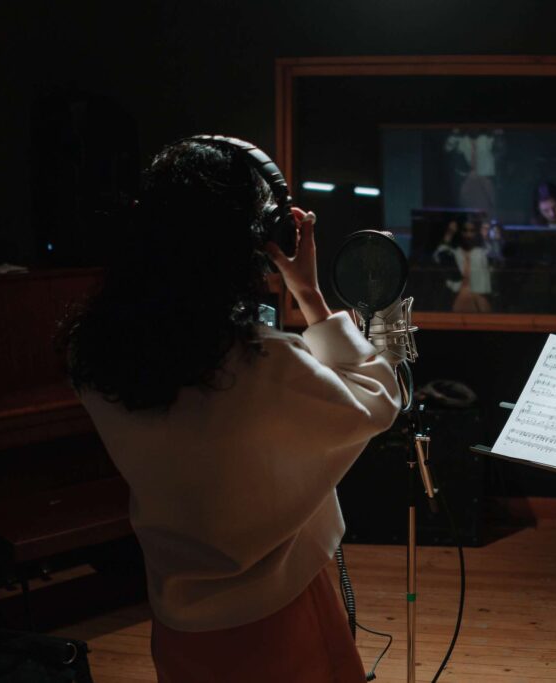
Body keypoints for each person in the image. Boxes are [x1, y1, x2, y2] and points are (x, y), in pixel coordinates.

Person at [60, 138, 400, 683]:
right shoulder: (258, 361)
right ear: (253, 240)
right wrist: (309, 293)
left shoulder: (91, 351)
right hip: (276, 616)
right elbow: (377, 399)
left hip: (177, 622)